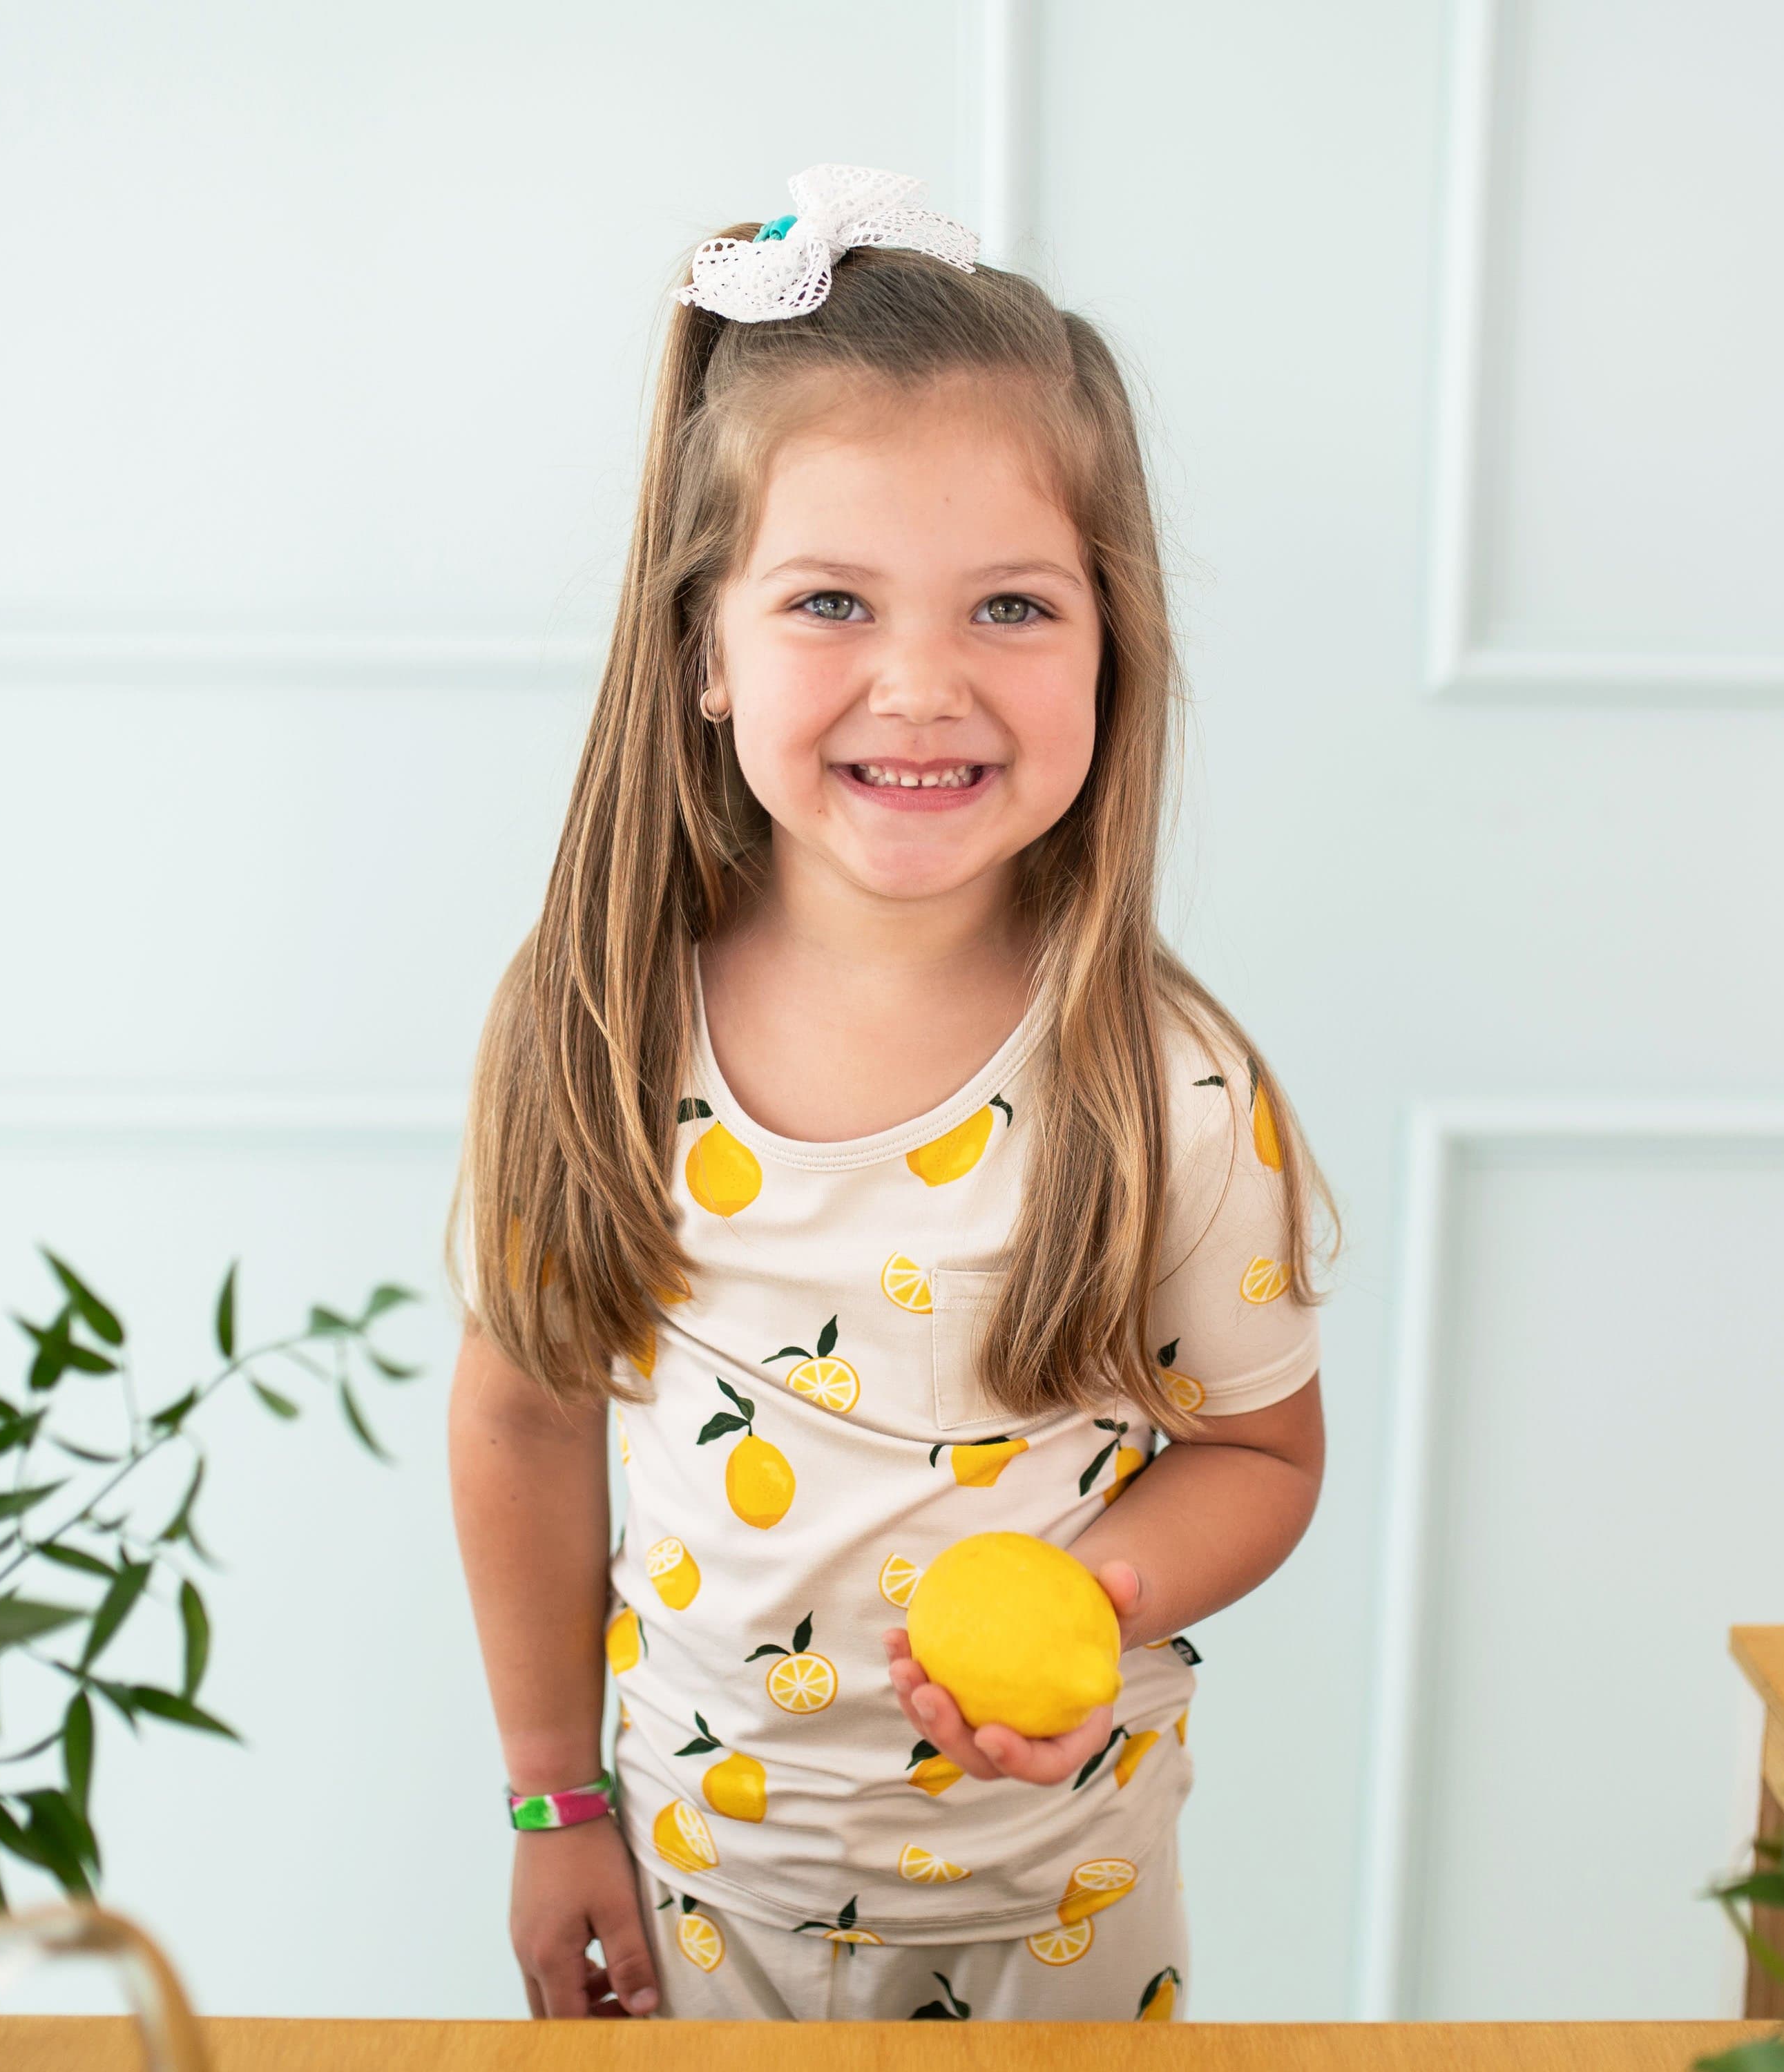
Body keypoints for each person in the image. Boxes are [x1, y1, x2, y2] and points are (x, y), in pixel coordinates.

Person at [445, 162, 1340, 2025]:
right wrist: (554, 1797)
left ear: (1114, 644)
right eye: (833, 600)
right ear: (705, 646)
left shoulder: (1168, 1088)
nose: (921, 684)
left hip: (1064, 1899)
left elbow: (1259, 1458)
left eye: (1012, 606)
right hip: (705, 1889)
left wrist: (1094, 1591)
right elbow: (528, 1422)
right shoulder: (596, 1034)